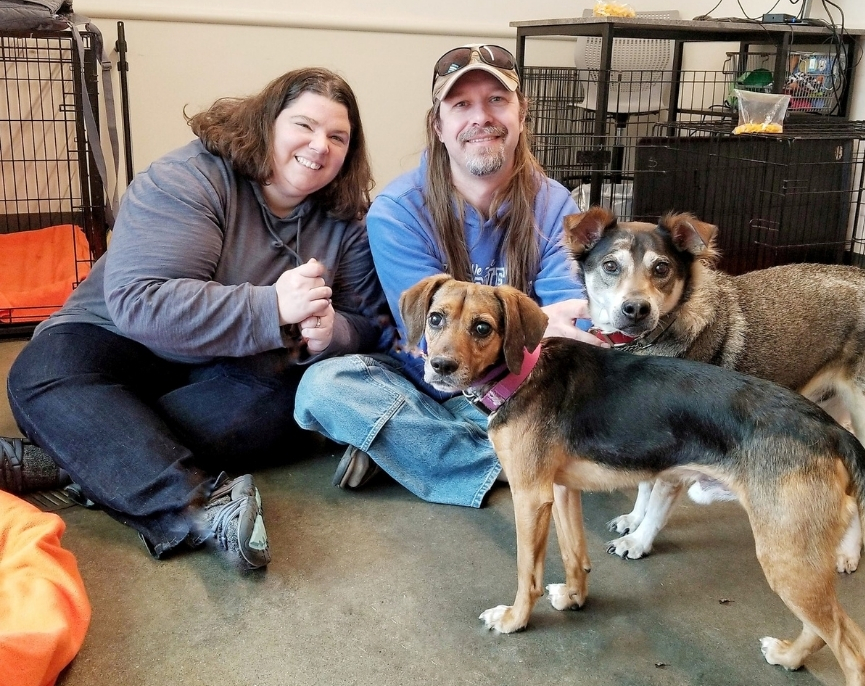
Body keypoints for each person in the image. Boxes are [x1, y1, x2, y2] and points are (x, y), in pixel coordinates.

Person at [3, 67, 390, 570]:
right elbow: (143, 303)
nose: (320, 146)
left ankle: (77, 453)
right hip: (114, 339)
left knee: (293, 398)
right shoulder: (186, 179)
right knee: (42, 373)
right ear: (266, 124)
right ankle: (202, 509)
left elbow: (370, 322)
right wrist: (272, 307)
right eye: (304, 125)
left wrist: (334, 332)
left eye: (338, 137)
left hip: (228, 370)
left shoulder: (348, 220)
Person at [294, 44, 604, 508]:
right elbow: (427, 339)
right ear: (438, 126)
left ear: (522, 115)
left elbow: (568, 323)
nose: (481, 117)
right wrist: (536, 326)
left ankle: (400, 445)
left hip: (518, 384)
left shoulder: (556, 204)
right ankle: (519, 462)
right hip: (422, 376)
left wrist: (555, 333)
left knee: (584, 392)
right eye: (461, 104)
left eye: (497, 100)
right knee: (325, 386)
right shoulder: (397, 210)